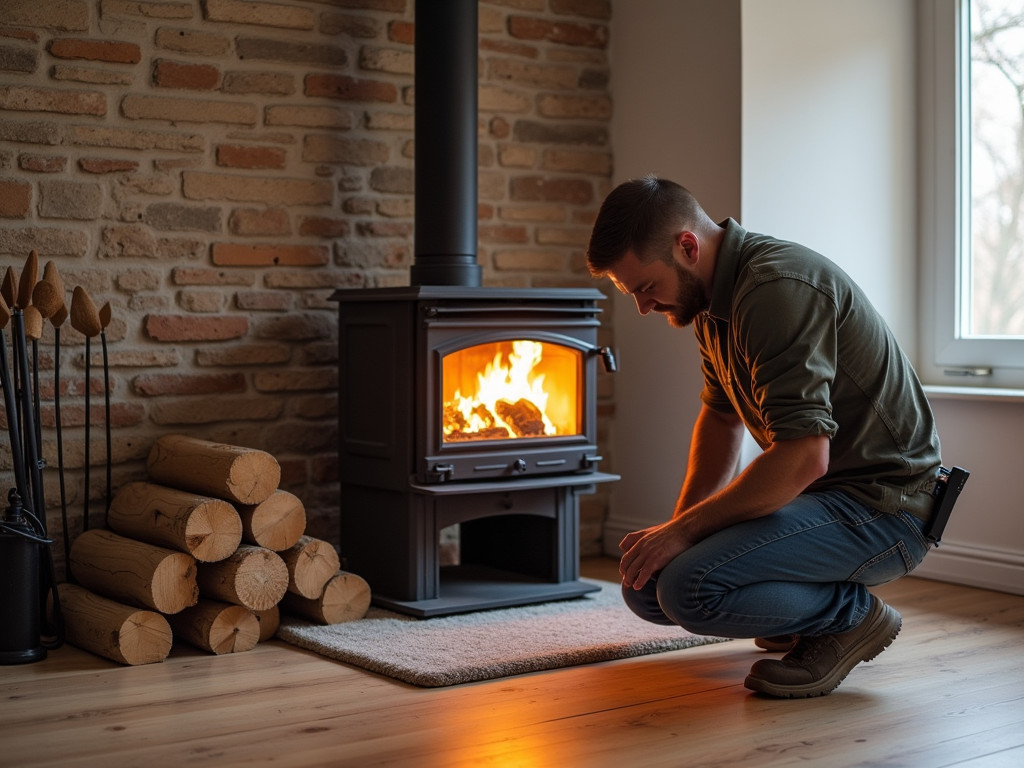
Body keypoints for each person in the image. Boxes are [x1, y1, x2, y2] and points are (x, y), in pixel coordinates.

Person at [587, 176, 942, 698]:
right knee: (647, 586)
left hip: (886, 510)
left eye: (644, 288)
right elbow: (721, 418)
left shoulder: (776, 289)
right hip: (824, 501)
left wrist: (685, 535)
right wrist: (677, 528)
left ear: (687, 246)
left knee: (688, 588)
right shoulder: (710, 301)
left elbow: (803, 458)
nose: (643, 307)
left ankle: (849, 618)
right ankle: (796, 607)